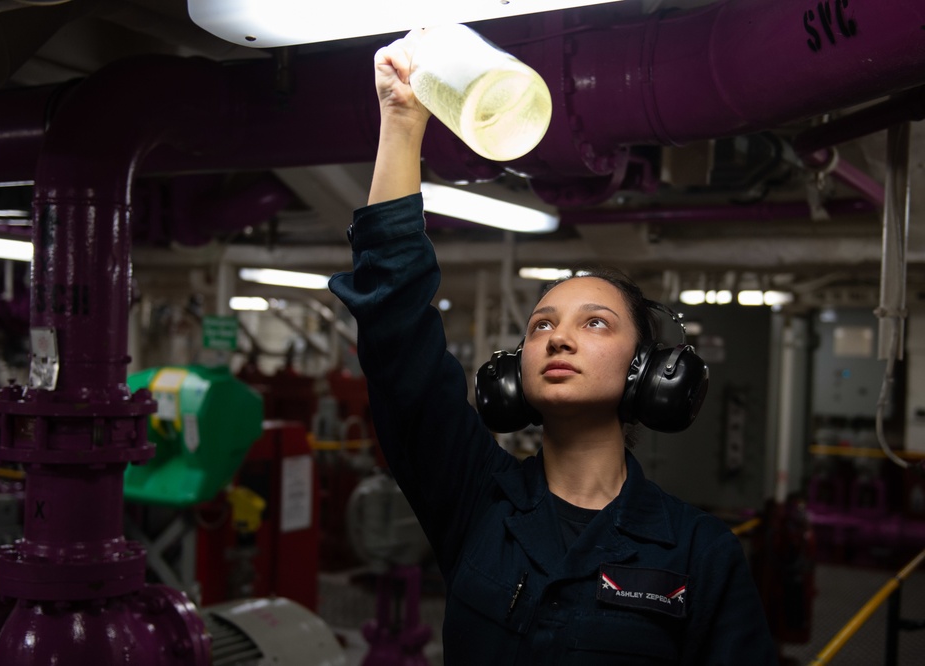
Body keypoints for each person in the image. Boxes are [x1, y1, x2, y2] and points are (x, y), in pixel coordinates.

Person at [328, 31, 779, 666]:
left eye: (595, 324)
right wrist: (401, 121)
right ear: (512, 372)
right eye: (541, 325)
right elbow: (395, 326)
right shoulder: (472, 495)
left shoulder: (698, 550)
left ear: (647, 371)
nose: (558, 336)